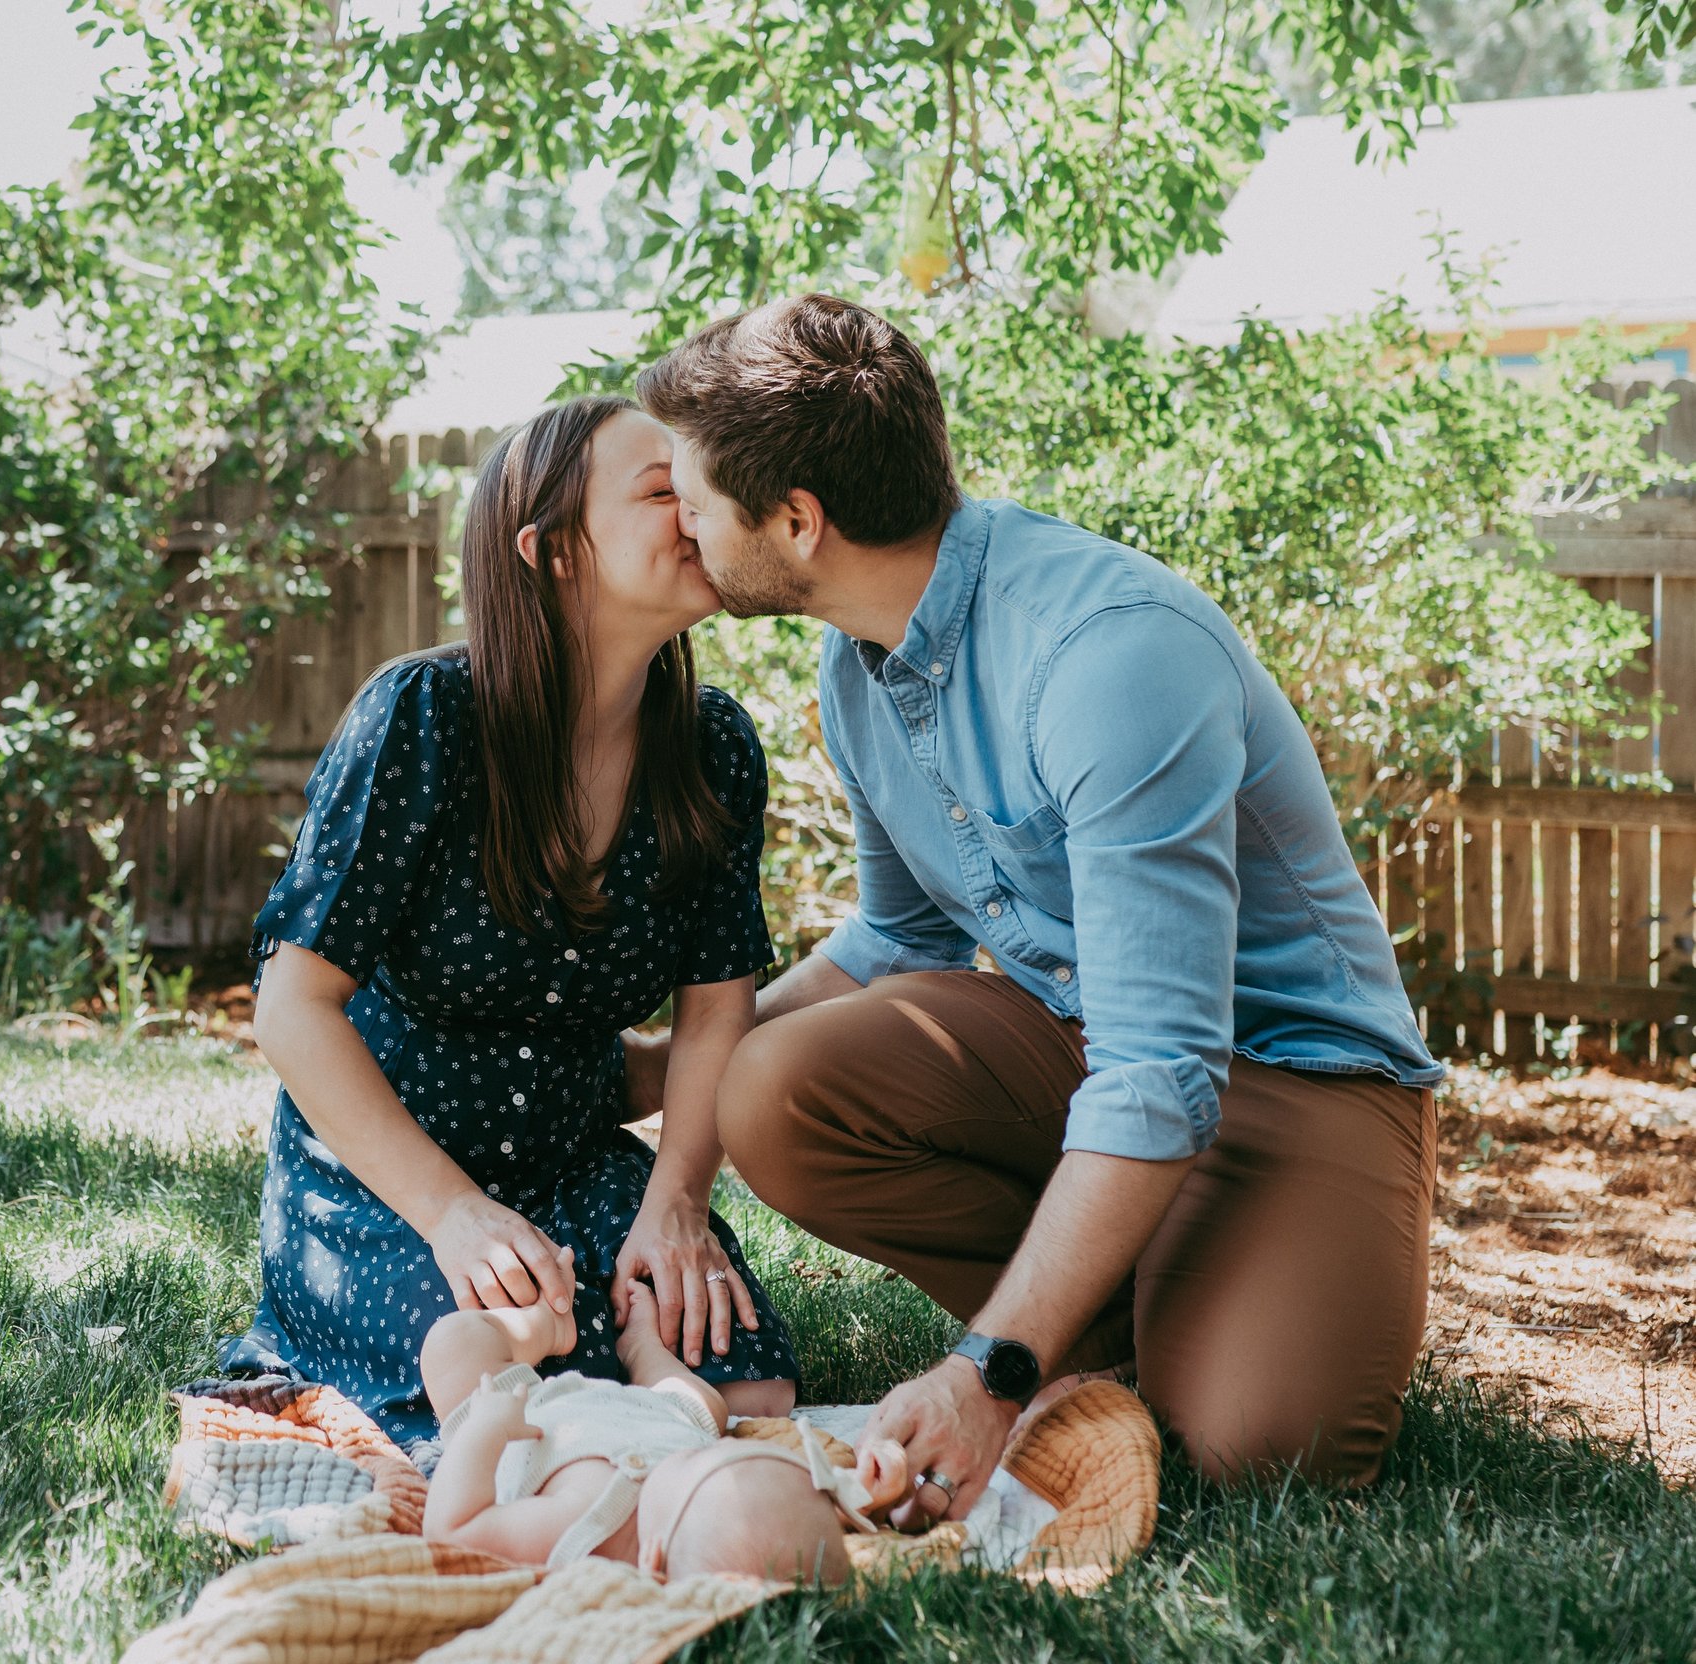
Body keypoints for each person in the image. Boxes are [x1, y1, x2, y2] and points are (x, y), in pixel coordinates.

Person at [627, 294, 1444, 1528]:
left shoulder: (1105, 655)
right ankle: (1117, 1304)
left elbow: (1161, 1070)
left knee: (1256, 1455)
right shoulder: (856, 662)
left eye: (692, 498)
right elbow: (896, 939)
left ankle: (1111, 1314)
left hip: (1293, 1074)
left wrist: (985, 1375)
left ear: (797, 521)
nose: (680, 524)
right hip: (1085, 1047)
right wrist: (656, 1072)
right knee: (772, 1083)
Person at [228, 395, 800, 1459]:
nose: (700, 507)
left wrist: (673, 1203)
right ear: (553, 553)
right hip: (390, 1176)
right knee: (498, 1402)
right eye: (659, 488)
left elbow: (719, 1008)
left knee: (752, 1386)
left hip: (578, 1160)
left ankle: (658, 1410)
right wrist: (452, 1213)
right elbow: (293, 1005)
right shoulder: (423, 719)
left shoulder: (714, 746)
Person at [419, 1271, 909, 1581]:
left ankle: (548, 1326)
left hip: (529, 1413)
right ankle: (643, 1350)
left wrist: (486, 1428)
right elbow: (794, 1517)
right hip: (664, 1416)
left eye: (697, 1461)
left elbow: (455, 1529)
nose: (708, 1452)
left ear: (652, 1561)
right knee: (709, 1411)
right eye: (717, 1454)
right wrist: (864, 1490)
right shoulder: (726, 1507)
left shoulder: (578, 1530)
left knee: (452, 1343)